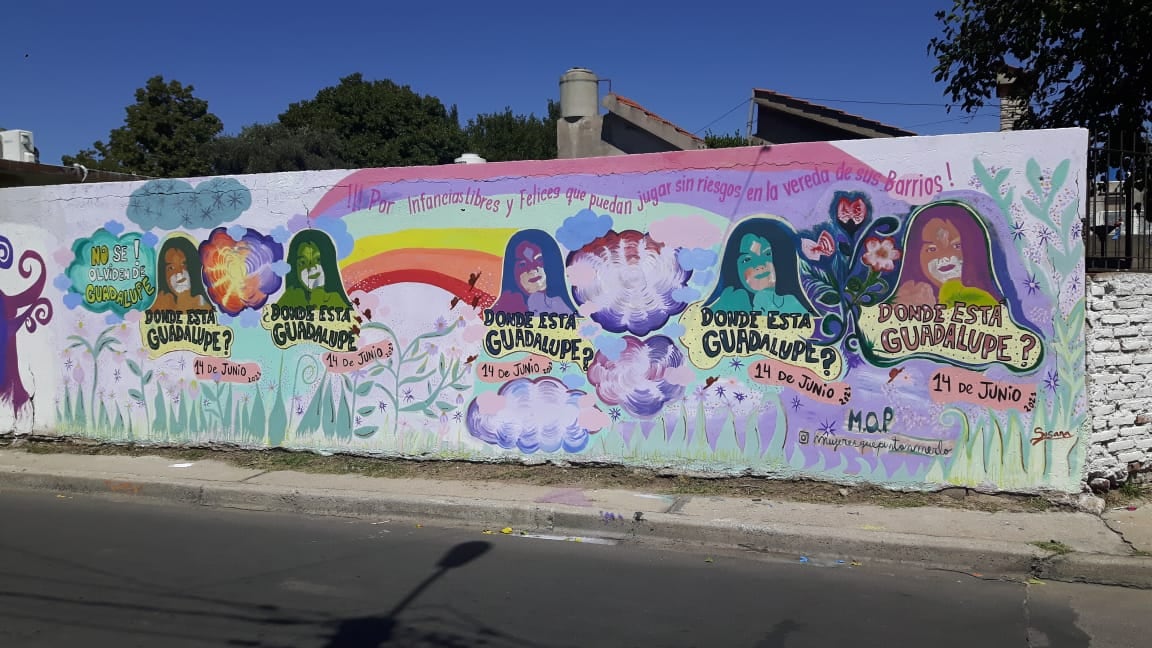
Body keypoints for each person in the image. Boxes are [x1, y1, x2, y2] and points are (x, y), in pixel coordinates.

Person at [894, 203, 1001, 308]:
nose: (945, 257)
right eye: (932, 249)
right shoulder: (905, 301)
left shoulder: (985, 302)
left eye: (956, 246)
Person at [705, 218, 810, 315]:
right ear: (733, 268)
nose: (759, 265)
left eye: (768, 254)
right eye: (747, 259)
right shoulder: (725, 306)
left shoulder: (794, 306)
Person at [491, 230, 576, 315]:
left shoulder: (565, 309)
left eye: (539, 260)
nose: (532, 269)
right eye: (522, 264)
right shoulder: (500, 313)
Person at [276, 230, 353, 309]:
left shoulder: (337, 301)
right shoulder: (288, 300)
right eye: (303, 263)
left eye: (318, 260)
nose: (311, 268)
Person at [149, 235, 211, 312]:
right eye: (171, 268)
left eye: (183, 265)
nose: (179, 273)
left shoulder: (205, 305)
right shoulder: (158, 305)